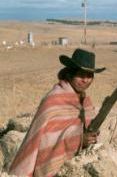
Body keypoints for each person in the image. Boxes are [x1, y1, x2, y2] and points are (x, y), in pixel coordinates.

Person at [9, 48, 105, 176]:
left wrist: (90, 138)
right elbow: (47, 141)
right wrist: (79, 139)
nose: (85, 80)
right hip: (53, 169)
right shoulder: (53, 100)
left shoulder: (86, 102)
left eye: (89, 76)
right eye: (81, 75)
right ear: (70, 73)